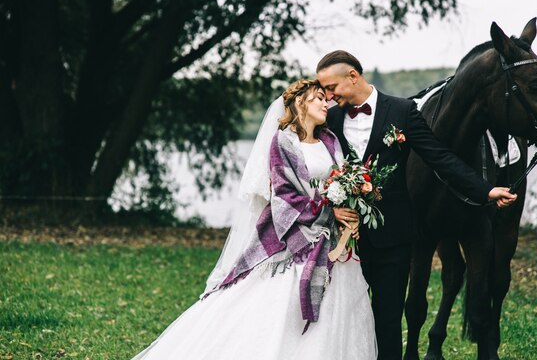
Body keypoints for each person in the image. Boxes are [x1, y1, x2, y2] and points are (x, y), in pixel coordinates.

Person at [130, 79, 377, 360]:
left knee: (339, 312)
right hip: (293, 239)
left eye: (325, 99)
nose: (326, 103)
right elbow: (283, 197)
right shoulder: (283, 142)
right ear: (300, 103)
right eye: (318, 98)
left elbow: (343, 183)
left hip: (334, 244)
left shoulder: (330, 141)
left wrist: (348, 212)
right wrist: (327, 210)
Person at [316, 50, 517, 360]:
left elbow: (440, 157)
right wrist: (332, 209)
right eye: (324, 90)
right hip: (341, 243)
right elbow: (310, 169)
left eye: (331, 88)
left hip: (392, 239)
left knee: (388, 322)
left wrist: (486, 190)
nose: (327, 96)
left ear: (353, 77)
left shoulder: (402, 111)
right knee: (343, 319)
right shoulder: (327, 118)